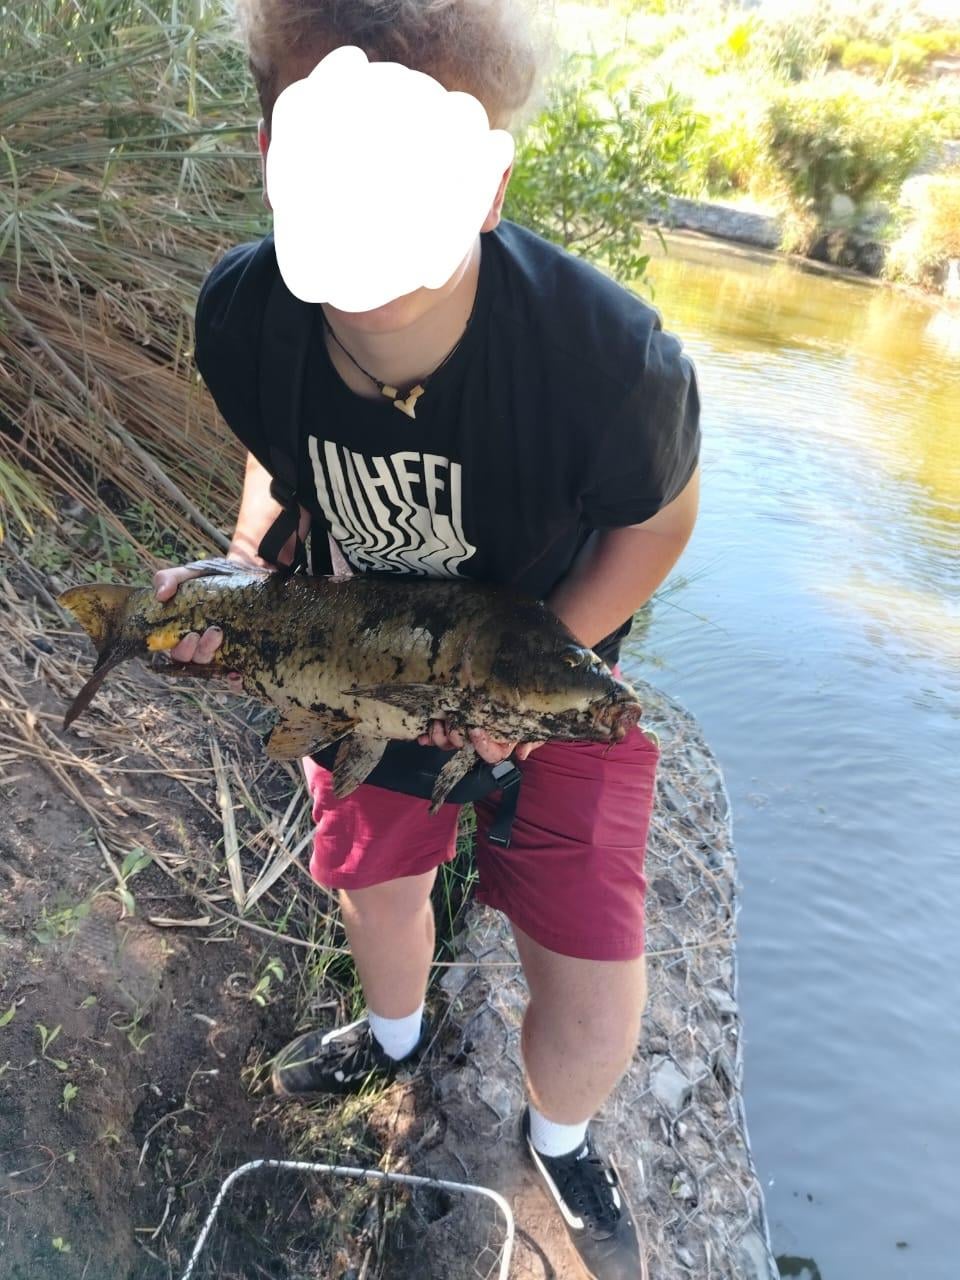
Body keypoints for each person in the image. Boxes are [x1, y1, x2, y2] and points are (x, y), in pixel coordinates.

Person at [154, 3, 700, 1276]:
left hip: (551, 663)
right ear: (274, 158)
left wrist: (525, 674)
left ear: (489, 183)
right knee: (377, 879)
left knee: (590, 957)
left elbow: (659, 519)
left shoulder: (608, 362)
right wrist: (245, 571)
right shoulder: (245, 312)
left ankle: (559, 1137)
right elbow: (277, 454)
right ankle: (393, 1038)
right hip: (363, 666)